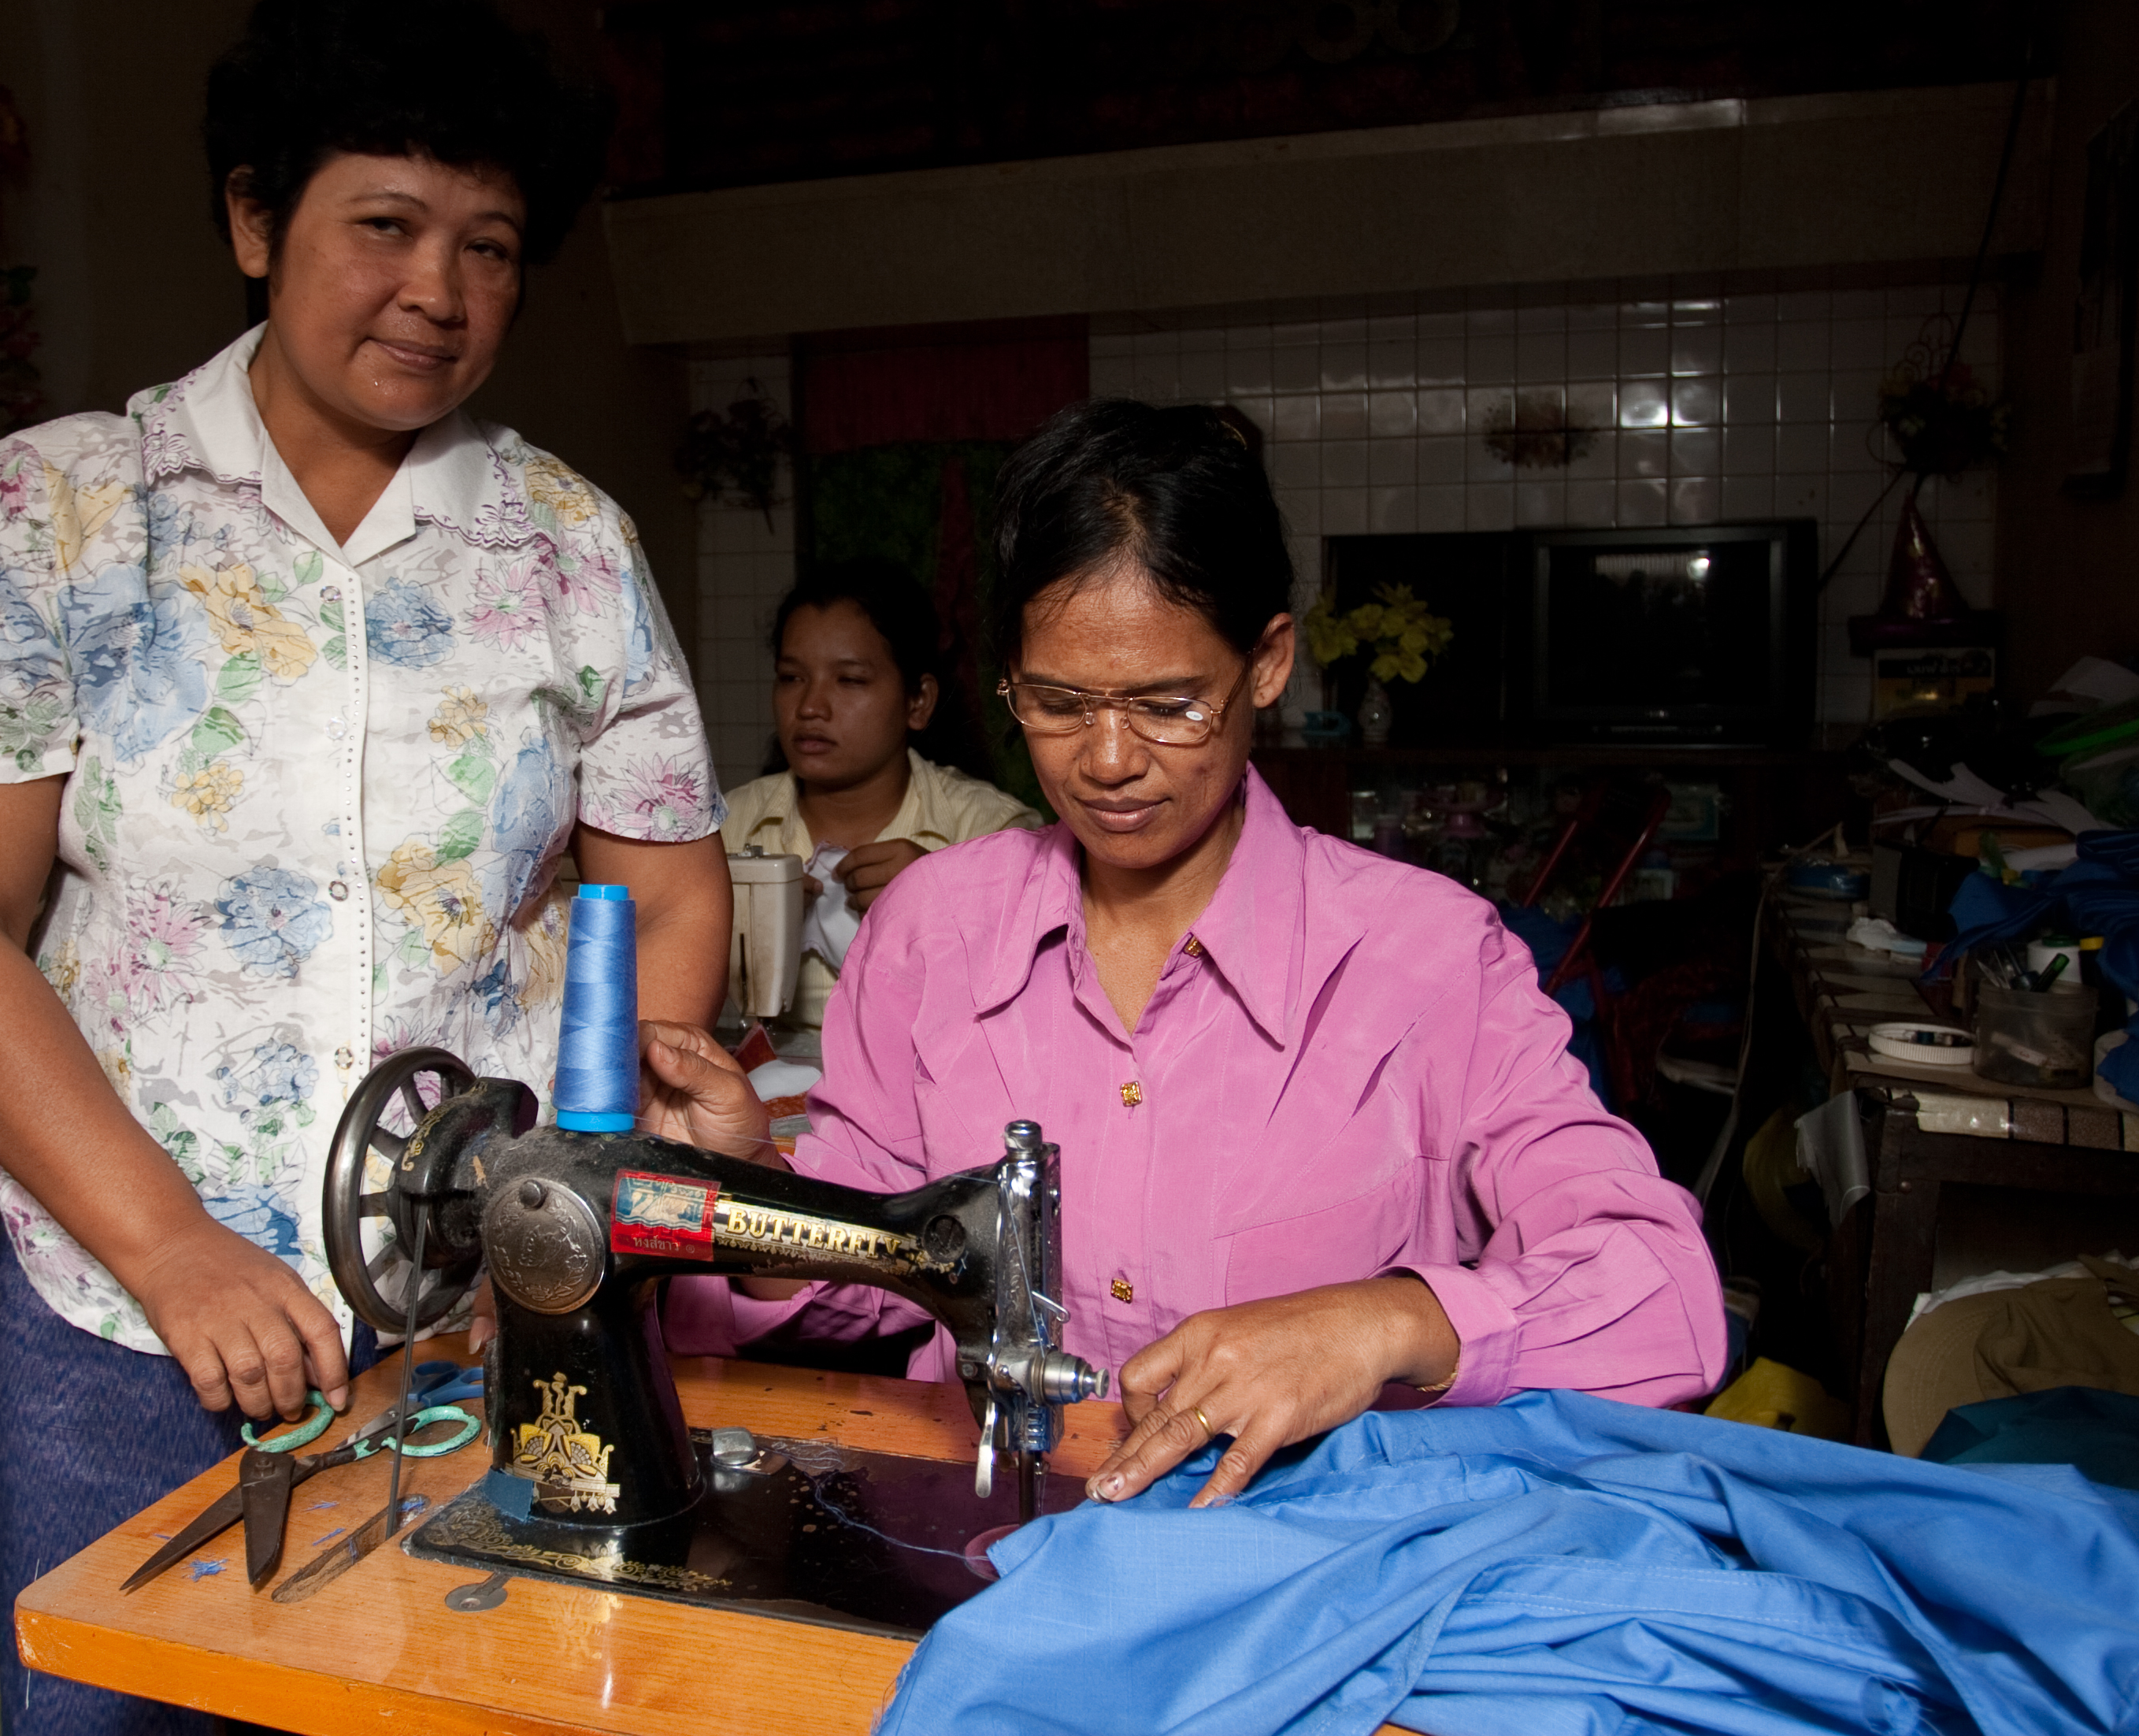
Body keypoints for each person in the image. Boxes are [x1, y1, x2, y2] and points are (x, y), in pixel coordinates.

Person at [0, 0, 728, 1735]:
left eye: (488, 245)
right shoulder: (71, 506)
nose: (437, 291)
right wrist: (173, 1246)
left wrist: (577, 1195)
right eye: (388, 225)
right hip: (121, 1329)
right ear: (255, 217)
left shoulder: (565, 545)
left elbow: (666, 893)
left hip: (475, 1312)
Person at [649, 399, 1726, 1510]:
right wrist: (752, 1198)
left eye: (1168, 704)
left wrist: (1390, 1321)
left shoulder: (1427, 962)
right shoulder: (934, 931)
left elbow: (1666, 1300)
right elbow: (868, 1266)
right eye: (1058, 704)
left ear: (1266, 663)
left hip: (1305, 1578)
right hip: (991, 1546)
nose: (1109, 762)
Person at [721, 558, 1039, 1029]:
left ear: (918, 701)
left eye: (850, 680)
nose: (810, 707)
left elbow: (1040, 1008)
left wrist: (942, 902)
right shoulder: (726, 827)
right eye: (791, 678)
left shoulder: (994, 835)